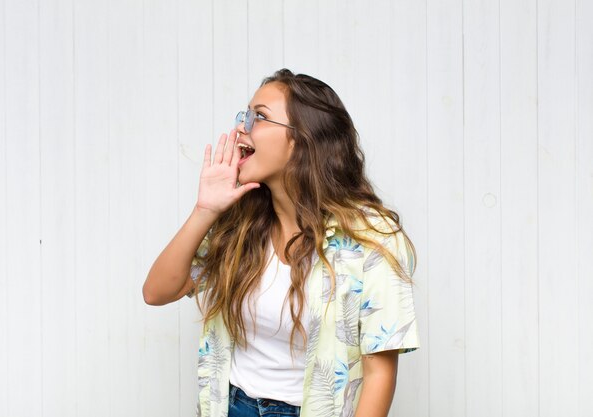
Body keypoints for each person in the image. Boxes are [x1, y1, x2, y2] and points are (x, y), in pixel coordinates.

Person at [143, 68, 420, 417]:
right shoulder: (240, 221)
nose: (242, 128)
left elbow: (380, 373)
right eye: (246, 114)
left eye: (260, 116)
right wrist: (205, 210)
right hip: (232, 407)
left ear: (303, 140)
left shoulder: (371, 237)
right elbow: (156, 292)